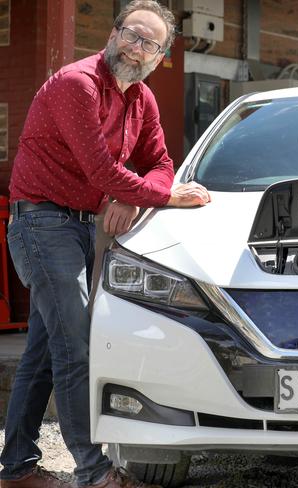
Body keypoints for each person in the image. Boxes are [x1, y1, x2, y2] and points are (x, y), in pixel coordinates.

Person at [0, 1, 210, 487]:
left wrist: (134, 197)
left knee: (43, 351)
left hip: (78, 226)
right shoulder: (79, 84)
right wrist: (158, 195)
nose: (136, 49)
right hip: (40, 223)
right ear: (114, 35)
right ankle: (94, 473)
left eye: (150, 44)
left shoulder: (142, 99)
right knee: (75, 344)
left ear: (160, 57)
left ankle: (15, 469)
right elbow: (101, 170)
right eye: (131, 35)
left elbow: (160, 163)